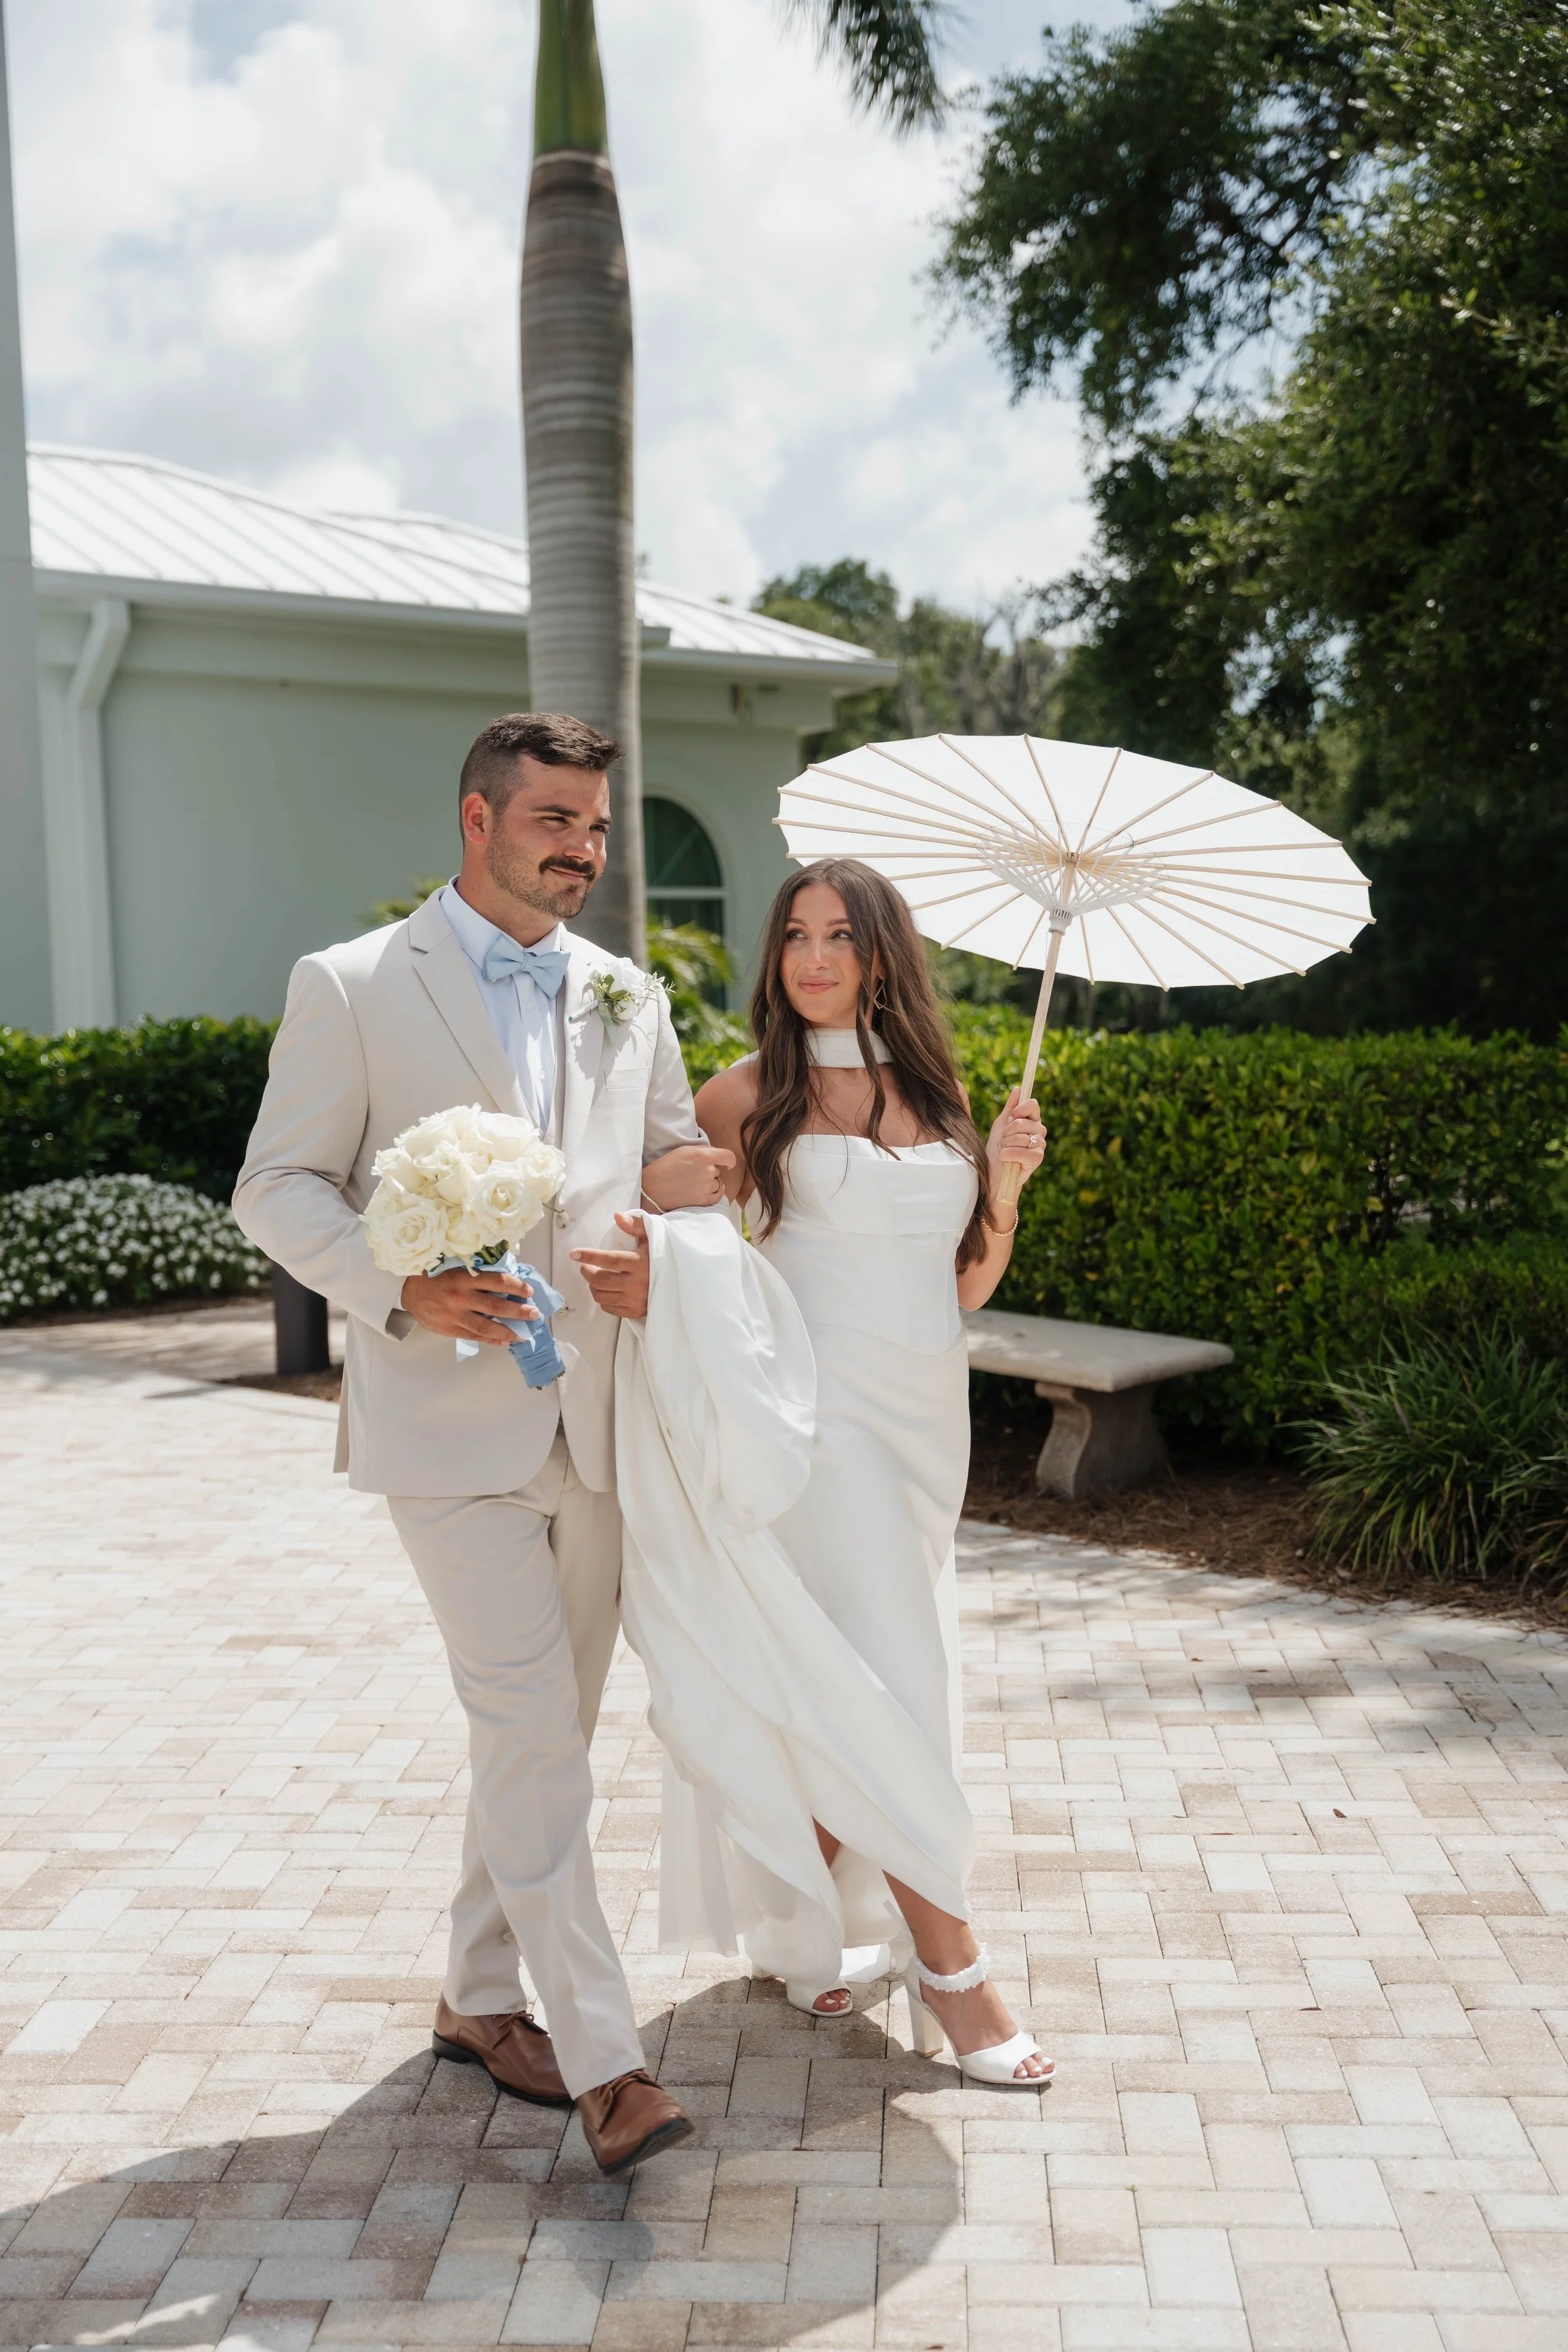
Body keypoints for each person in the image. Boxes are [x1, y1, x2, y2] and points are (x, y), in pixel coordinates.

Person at [233, 711, 728, 2175]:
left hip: (597, 1416)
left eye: (592, 829)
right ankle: (604, 2064)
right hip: (445, 1435)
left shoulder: (625, 993)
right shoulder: (352, 983)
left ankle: (474, 1999)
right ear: (476, 819)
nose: (579, 852)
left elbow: (655, 1167)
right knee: (531, 1735)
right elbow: (277, 1186)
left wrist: (686, 1224)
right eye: (551, 823)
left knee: (544, 1741)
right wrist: (402, 1290)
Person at [680, 856, 1052, 2083]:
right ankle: (958, 1976)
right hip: (815, 1420)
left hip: (920, 1426)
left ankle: (798, 1916)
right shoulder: (738, 1097)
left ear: (882, 954)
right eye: (794, 934)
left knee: (870, 1677)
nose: (813, 956)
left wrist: (1001, 1182)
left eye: (839, 934)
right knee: (890, 1683)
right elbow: (695, 1255)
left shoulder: (940, 1098)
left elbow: (959, 1285)